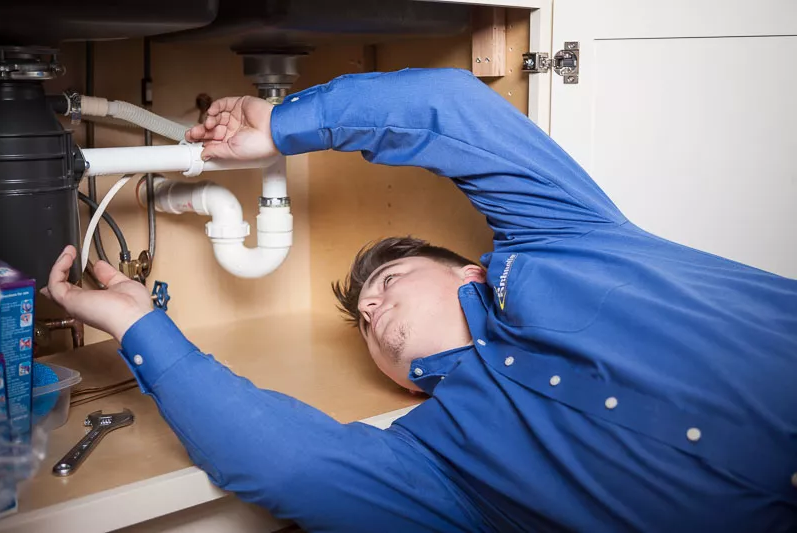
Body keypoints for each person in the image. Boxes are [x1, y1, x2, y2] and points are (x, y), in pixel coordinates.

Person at [43, 68, 796, 532]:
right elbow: (290, 466)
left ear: (468, 272)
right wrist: (140, 326)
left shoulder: (561, 237)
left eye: (388, 282)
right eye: (366, 325)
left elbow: (450, 108)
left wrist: (282, 126)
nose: (372, 313)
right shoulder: (439, 459)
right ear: (404, 386)